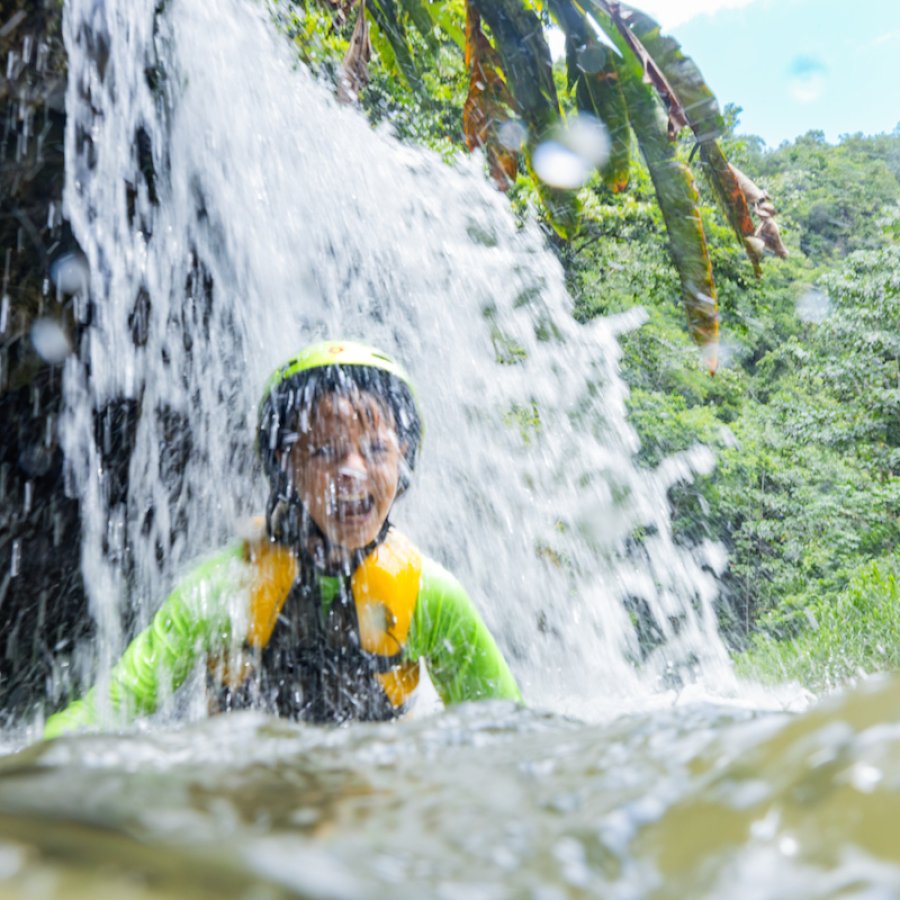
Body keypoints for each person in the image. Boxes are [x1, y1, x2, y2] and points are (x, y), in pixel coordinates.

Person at [44, 340, 521, 737]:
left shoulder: (430, 596)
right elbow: (113, 707)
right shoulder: (224, 589)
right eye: (326, 451)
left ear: (404, 459)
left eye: (376, 448)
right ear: (285, 467)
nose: (353, 471)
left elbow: (510, 733)